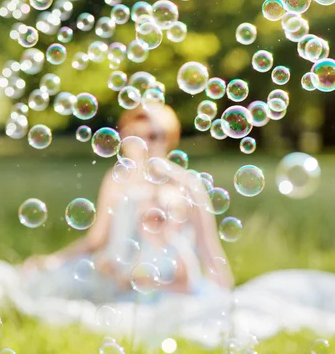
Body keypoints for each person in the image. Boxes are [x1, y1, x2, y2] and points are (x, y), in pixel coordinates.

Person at [23, 104, 234, 300]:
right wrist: (55, 260)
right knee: (49, 285)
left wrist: (226, 296)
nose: (144, 144)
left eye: (153, 136)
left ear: (168, 139)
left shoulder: (186, 183)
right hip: (119, 280)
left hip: (166, 285)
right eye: (135, 135)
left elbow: (208, 248)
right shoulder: (116, 180)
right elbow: (96, 240)